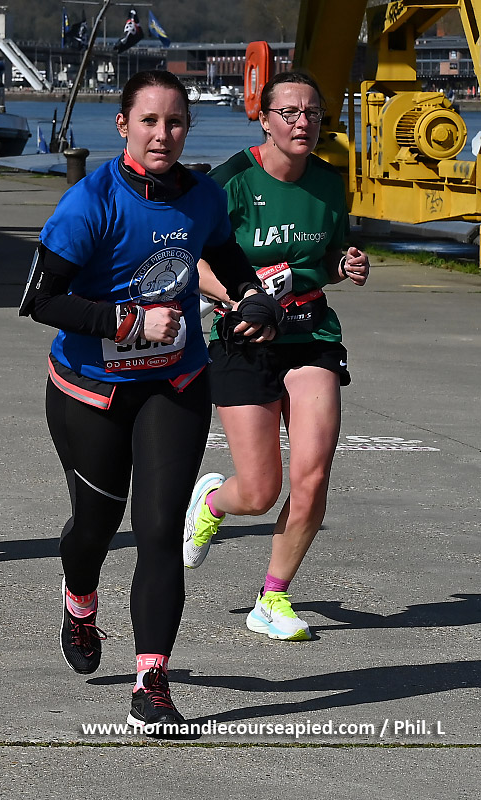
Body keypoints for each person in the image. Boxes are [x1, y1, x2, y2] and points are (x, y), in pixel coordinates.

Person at [20, 70, 280, 736]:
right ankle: (81, 598)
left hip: (176, 382)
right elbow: (39, 300)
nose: (163, 134)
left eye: (175, 122)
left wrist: (253, 298)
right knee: (96, 529)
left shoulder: (201, 196)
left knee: (160, 530)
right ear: (123, 126)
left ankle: (150, 683)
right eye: (149, 121)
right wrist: (128, 323)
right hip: (91, 390)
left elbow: (226, 255)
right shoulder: (89, 203)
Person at [183, 70, 370, 642]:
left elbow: (328, 258)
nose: (302, 122)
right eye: (288, 112)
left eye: (312, 112)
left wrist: (346, 265)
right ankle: (215, 502)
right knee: (260, 492)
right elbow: (193, 262)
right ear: (263, 119)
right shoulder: (230, 182)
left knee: (313, 475)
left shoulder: (330, 182)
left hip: (311, 335)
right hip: (243, 338)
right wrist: (240, 297)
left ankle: (272, 597)